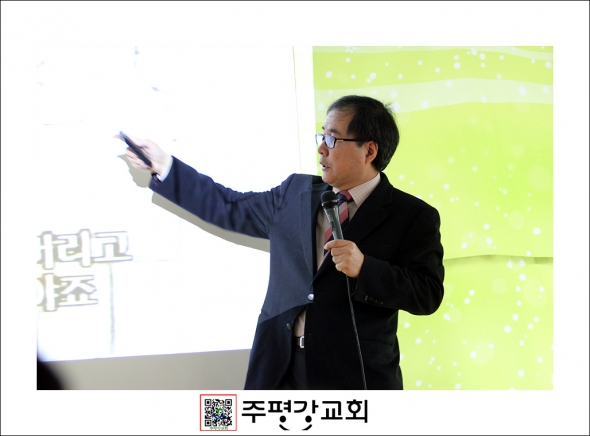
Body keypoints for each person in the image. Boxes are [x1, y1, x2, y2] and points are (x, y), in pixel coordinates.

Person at [121, 95, 444, 390]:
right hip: (280, 368)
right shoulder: (295, 194)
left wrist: (365, 268)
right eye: (321, 136)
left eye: (332, 139)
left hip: (354, 376)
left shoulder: (413, 216)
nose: (322, 149)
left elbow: (427, 294)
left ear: (369, 151)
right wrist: (165, 166)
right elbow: (228, 206)